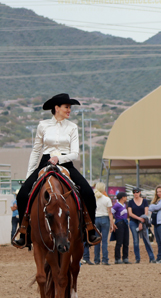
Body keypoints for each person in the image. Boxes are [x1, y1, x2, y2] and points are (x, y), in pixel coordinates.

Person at [12, 93, 100, 248]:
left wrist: (59, 159)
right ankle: (24, 232)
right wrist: (28, 176)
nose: (69, 110)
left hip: (66, 163)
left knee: (88, 192)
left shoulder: (72, 127)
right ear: (56, 108)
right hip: (45, 162)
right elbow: (36, 151)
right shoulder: (43, 125)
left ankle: (90, 230)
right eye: (66, 107)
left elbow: (75, 153)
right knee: (23, 194)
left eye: (70, 108)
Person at [128, 187, 155, 264]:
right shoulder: (130, 202)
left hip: (143, 221)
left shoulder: (145, 201)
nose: (135, 194)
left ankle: (152, 257)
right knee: (135, 241)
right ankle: (137, 258)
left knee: (146, 239)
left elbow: (146, 213)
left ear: (140, 192)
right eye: (134, 192)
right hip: (133, 222)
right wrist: (139, 219)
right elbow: (130, 213)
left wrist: (141, 222)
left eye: (137, 192)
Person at [111, 192, 131, 264]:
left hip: (125, 223)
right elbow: (111, 212)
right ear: (122, 197)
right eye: (125, 196)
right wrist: (113, 222)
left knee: (126, 241)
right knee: (119, 241)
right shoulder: (117, 205)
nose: (126, 198)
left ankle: (125, 257)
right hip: (119, 223)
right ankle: (117, 258)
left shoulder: (124, 205)